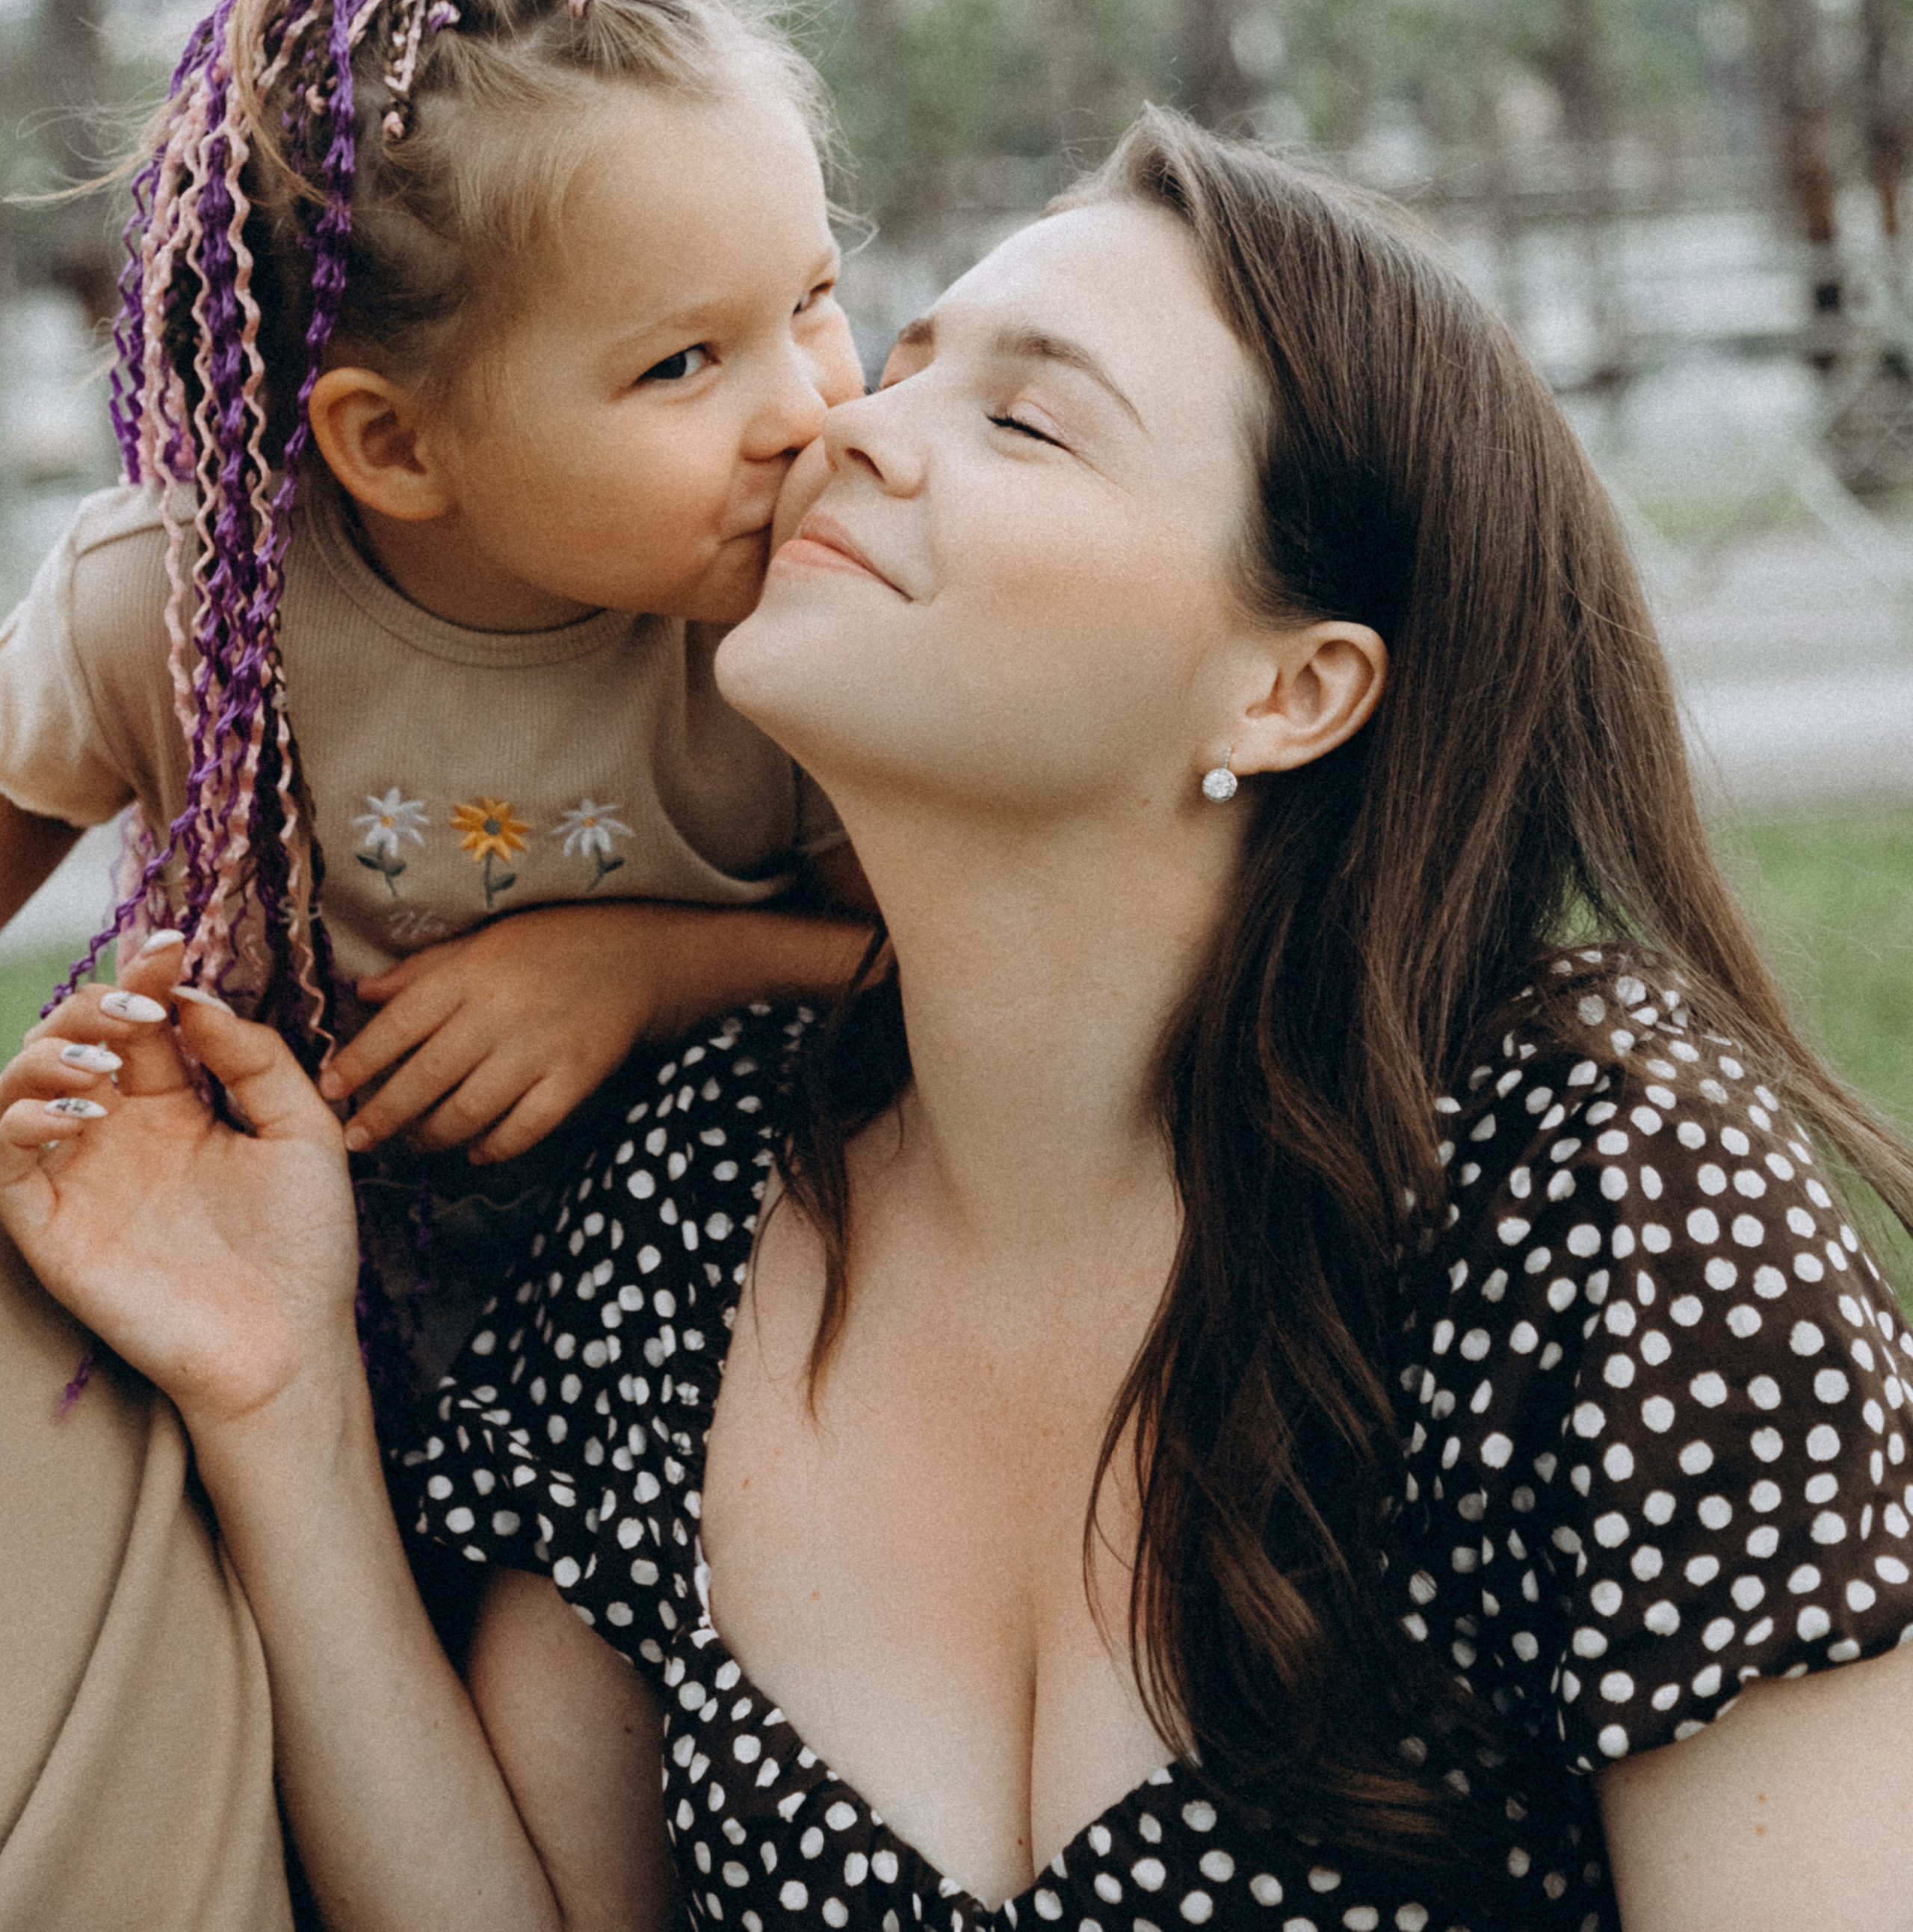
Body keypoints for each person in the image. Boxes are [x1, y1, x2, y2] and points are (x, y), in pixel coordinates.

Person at [6, 112, 1913, 1932]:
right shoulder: (694, 1175)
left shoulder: (1600, 1196)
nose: (845, 435)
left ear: (1289, 690)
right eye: (897, 362)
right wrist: (282, 1403)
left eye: (1018, 418)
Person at [0, 0, 871, 1929]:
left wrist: (655, 967)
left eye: (820, 304)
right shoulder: (178, 602)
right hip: (277, 1312)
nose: (806, 414)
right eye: (686, 365)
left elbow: (950, 969)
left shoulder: (804, 619)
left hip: (670, 1389)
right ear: (394, 446)